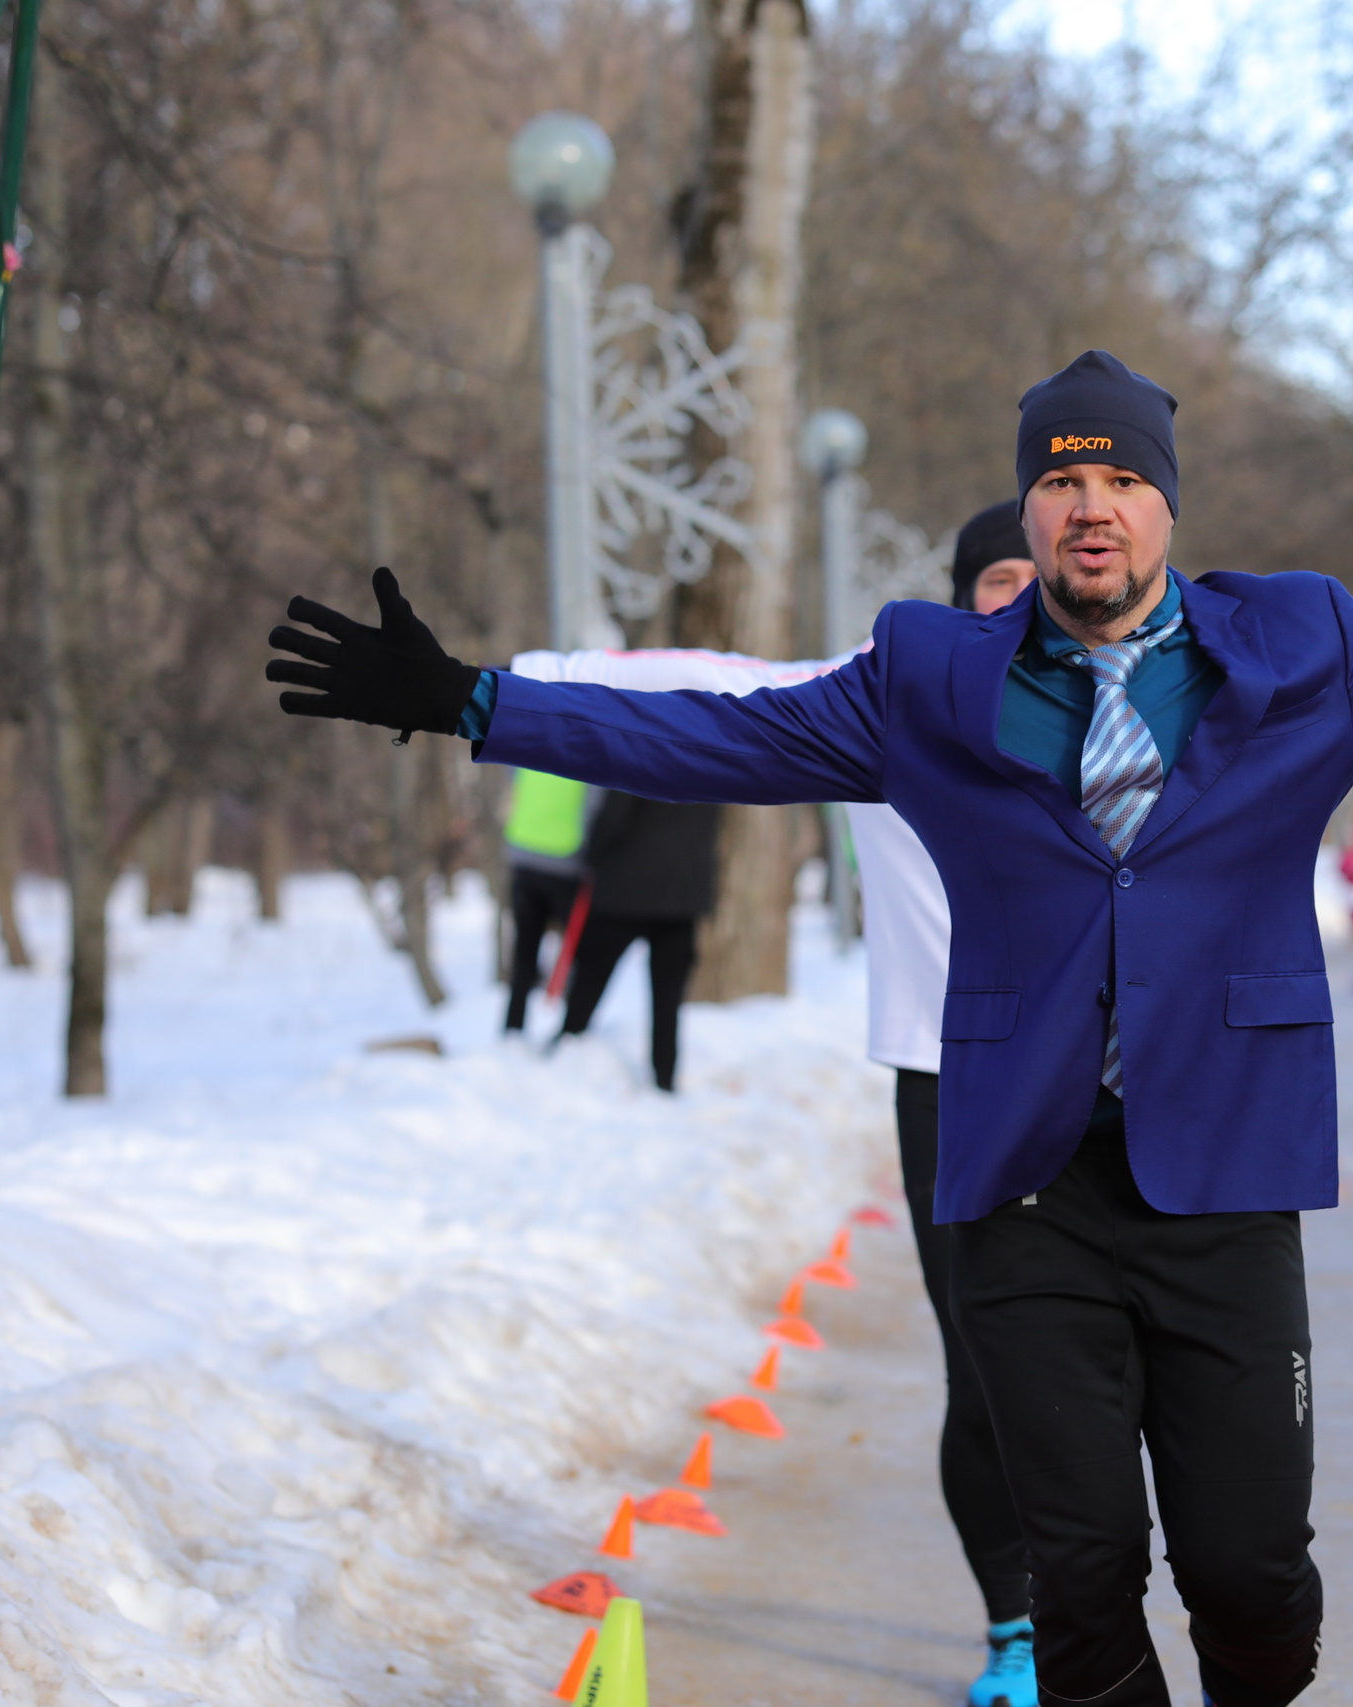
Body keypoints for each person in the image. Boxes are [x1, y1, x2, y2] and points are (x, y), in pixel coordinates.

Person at [268, 347, 1353, 1706]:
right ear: (1031, 503)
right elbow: (715, 735)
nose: (1092, 508)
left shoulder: (1306, 650)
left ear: (1166, 503)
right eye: (1063, 480)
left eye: (1122, 480)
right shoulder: (930, 676)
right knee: (1079, 1576)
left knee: (1249, 1575)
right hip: (1023, 1172)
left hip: (1224, 1165)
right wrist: (473, 701)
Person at [485, 500, 1045, 1707]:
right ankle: (1019, 1630)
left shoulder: (1132, 702)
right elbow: (713, 679)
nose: (1018, 596)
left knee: (1112, 1370)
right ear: (961, 597)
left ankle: (1118, 1611)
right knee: (989, 1370)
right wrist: (526, 679)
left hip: (1103, 1085)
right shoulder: (892, 698)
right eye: (996, 578)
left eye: (1036, 575)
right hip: (949, 1081)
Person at [554, 788, 719, 1092]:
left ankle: (564, 1051)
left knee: (590, 980)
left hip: (624, 889)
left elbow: (613, 816)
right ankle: (664, 1078)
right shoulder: (714, 765)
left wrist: (590, 857)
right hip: (683, 892)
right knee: (668, 999)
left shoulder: (646, 756)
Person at [501, 768, 594, 1034]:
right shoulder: (590, 753)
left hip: (523, 851)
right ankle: (571, 1032)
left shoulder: (530, 747)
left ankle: (513, 1028)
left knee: (524, 952)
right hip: (566, 861)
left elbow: (513, 783)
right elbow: (596, 804)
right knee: (581, 953)